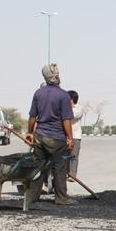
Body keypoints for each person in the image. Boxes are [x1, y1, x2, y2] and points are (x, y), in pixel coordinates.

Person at [25, 63, 76, 205]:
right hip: (56, 138)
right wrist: (70, 138)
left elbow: (32, 117)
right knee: (59, 167)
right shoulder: (63, 95)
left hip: (40, 136)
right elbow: (66, 120)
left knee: (39, 167)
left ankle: (32, 197)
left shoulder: (38, 93)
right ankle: (61, 197)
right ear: (57, 76)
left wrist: (30, 133)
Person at [67, 90, 84, 178]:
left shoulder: (79, 108)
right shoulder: (64, 107)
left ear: (72, 99)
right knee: (65, 157)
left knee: (74, 155)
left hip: (75, 136)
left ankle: (72, 175)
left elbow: (72, 116)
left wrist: (69, 108)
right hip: (65, 136)